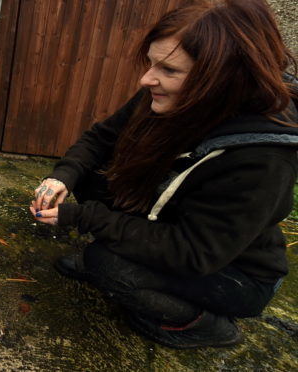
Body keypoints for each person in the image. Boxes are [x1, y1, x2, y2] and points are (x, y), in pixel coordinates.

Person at [30, 0, 298, 349]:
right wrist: (62, 177)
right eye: (152, 63)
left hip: (234, 273)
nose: (147, 78)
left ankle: (203, 325)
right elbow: (101, 138)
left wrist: (84, 217)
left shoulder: (262, 157)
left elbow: (192, 252)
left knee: (108, 266)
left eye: (169, 70)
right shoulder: (171, 96)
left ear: (222, 78)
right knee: (90, 177)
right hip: (171, 222)